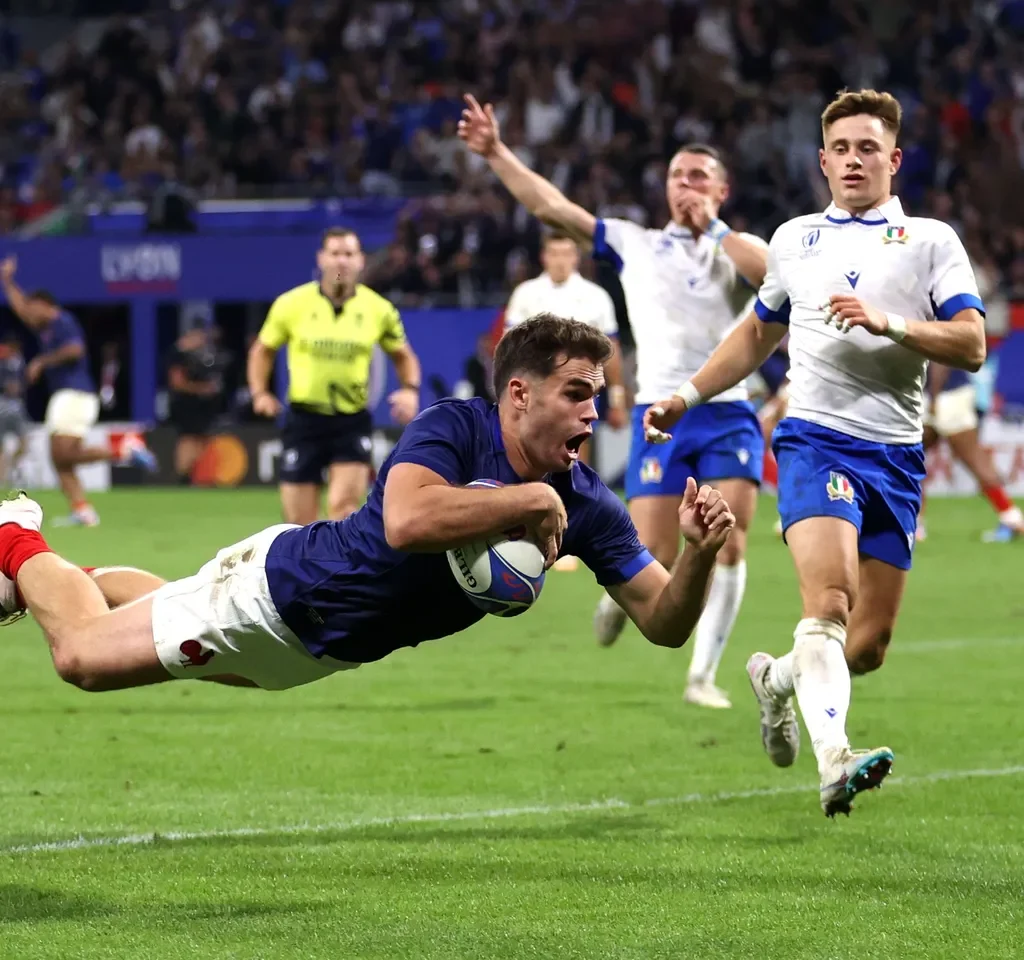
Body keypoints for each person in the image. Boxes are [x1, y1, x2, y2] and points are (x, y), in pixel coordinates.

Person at [0, 315, 735, 700]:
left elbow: (664, 624)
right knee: (83, 659)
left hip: (318, 653)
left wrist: (698, 555)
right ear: (519, 393)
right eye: (576, 393)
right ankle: (16, 537)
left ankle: (63, 582)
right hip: (277, 595)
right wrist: (532, 498)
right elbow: (406, 524)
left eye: (596, 396)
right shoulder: (456, 427)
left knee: (161, 607)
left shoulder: (588, 504)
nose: (592, 412)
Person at [644, 89, 987, 816]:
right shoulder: (794, 240)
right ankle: (835, 760)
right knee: (829, 602)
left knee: (868, 646)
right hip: (815, 440)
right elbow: (756, 333)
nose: (854, 160)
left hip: (896, 455)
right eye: (841, 149)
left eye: (868, 148)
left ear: (894, 160)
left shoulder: (931, 241)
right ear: (822, 161)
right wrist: (687, 395)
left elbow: (971, 343)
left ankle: (775, 680)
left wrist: (891, 324)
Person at [459, 95, 768, 709]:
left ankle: (702, 675)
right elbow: (553, 207)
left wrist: (715, 228)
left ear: (722, 190)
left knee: (727, 541)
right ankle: (619, 597)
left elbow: (773, 279)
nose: (686, 186)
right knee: (652, 551)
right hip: (661, 412)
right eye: (678, 176)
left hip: (728, 409)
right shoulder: (636, 243)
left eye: (699, 177)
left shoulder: (735, 248)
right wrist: (495, 152)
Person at [247, 228, 422, 524]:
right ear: (321, 259)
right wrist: (259, 393)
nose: (342, 261)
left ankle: (337, 556)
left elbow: (403, 355)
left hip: (350, 420)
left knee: (344, 511)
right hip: (304, 419)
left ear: (361, 261)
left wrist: (410, 389)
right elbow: (262, 350)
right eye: (335, 253)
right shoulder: (292, 304)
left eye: (349, 254)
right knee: (298, 522)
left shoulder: (379, 309)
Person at [0, 256, 157, 526]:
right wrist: (7, 281)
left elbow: (76, 350)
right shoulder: (47, 327)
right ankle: (82, 510)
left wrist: (42, 361)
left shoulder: (63, 321)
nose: (29, 313)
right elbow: (22, 309)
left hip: (74, 393)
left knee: (63, 454)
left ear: (45, 305)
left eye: (33, 307)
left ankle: (125, 450)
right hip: (67, 395)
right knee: (60, 459)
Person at [505, 229, 627, 572]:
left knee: (574, 456)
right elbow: (510, 346)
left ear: (576, 257)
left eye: (566, 253)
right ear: (544, 257)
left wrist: (618, 397)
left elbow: (612, 350)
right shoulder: (526, 294)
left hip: (578, 392)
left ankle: (568, 536)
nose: (560, 260)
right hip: (534, 393)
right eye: (554, 253)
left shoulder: (595, 297)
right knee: (526, 455)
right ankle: (523, 529)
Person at [918, 362, 1023, 542]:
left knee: (973, 458)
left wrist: (934, 397)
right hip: (946, 393)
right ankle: (914, 523)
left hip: (945, 395)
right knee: (911, 457)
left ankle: (1012, 518)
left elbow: (940, 360)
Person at [167, 326, 230, 485]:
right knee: (188, 440)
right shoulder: (178, 356)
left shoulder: (197, 356)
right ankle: (182, 477)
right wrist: (202, 388)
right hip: (185, 406)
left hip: (199, 407)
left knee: (200, 440)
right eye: (197, 336)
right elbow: (177, 383)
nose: (201, 340)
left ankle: (192, 476)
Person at [0, 336, 28, 485]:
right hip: (2, 409)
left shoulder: (20, 363)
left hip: (17, 409)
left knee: (24, 444)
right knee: (1, 448)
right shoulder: (3, 364)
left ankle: (12, 468)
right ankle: (1, 480)